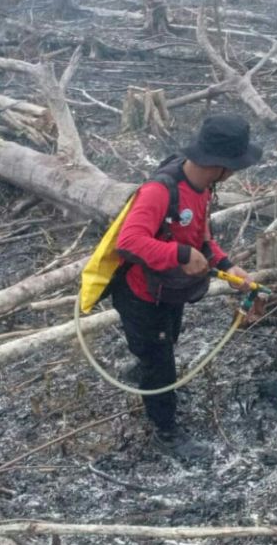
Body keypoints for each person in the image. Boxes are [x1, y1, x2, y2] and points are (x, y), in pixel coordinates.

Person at [112, 113, 262, 459]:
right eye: (236, 166)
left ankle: (144, 364)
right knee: (161, 364)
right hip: (142, 294)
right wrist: (180, 253)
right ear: (221, 165)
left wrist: (227, 266)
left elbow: (201, 237)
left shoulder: (203, 188)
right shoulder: (159, 191)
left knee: (168, 339)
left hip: (170, 290)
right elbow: (129, 241)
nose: (237, 172)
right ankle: (165, 432)